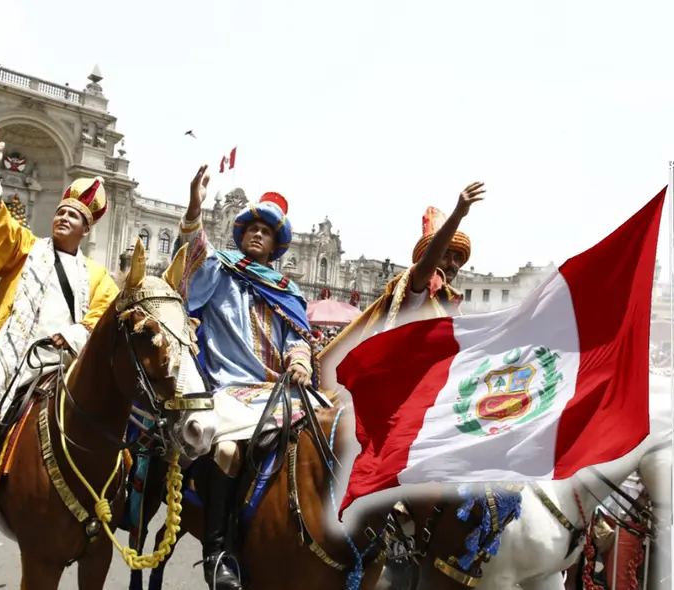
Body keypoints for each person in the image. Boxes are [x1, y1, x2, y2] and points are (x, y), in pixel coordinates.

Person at [0, 125, 120, 541]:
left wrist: (72, 337)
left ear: (87, 229)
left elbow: (99, 321)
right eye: (61, 212)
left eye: (74, 216)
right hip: (12, 357)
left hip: (64, 364)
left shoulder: (99, 276)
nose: (64, 218)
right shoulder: (25, 246)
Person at [175, 165, 313, 590]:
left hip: (278, 392)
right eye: (251, 227)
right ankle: (218, 554)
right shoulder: (219, 269)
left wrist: (301, 361)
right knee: (228, 452)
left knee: (335, 433)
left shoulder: (287, 290)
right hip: (229, 390)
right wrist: (195, 209)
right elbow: (189, 260)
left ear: (276, 244)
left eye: (265, 231)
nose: (257, 234)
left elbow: (298, 337)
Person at [317, 184, 486, 392]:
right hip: (400, 393)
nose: (452, 263)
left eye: (457, 258)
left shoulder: (450, 303)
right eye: (446, 255)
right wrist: (457, 216)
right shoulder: (419, 289)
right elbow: (427, 266)